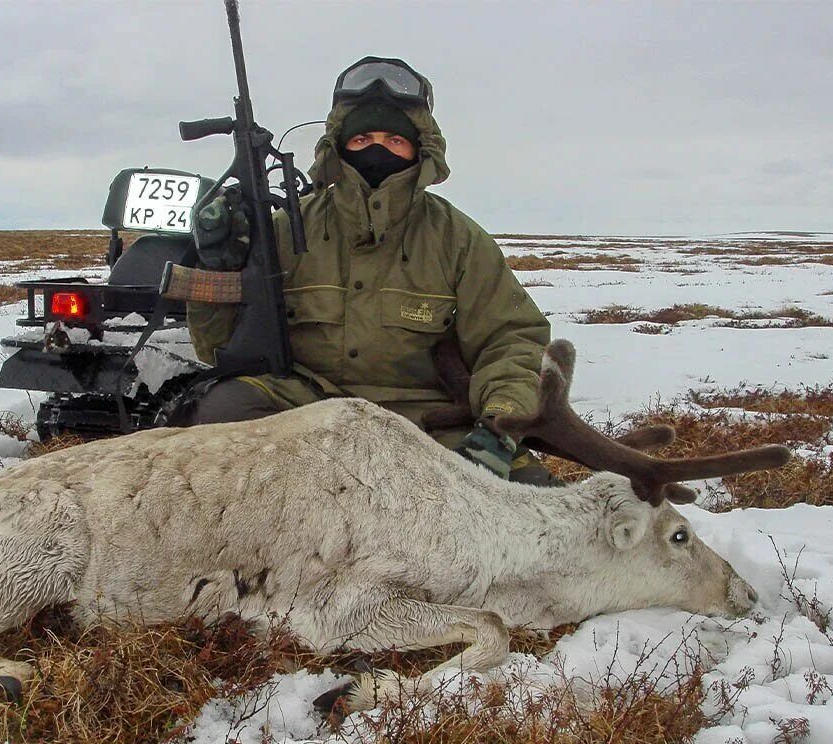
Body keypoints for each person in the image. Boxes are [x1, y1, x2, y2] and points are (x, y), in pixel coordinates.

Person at [185, 56, 557, 485]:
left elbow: (511, 341)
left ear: (420, 150)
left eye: (394, 141)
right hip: (303, 407)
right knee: (220, 412)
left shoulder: (458, 238)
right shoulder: (286, 227)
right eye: (362, 138)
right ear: (339, 147)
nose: (377, 150)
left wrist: (500, 428)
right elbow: (215, 348)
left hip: (425, 419)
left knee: (538, 500)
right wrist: (218, 264)